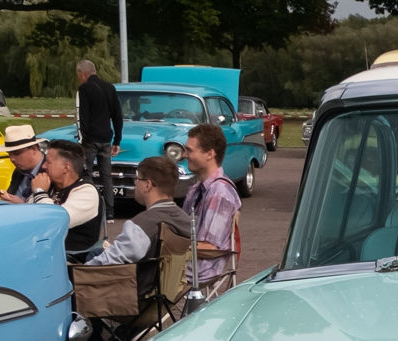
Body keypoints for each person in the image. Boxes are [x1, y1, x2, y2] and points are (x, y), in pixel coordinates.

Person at [85, 156, 192, 297]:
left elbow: (111, 261)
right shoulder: (186, 220)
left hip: (136, 301)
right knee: (97, 252)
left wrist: (77, 272)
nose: (136, 184)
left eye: (137, 179)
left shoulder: (142, 224)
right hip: (170, 297)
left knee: (87, 267)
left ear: (147, 185)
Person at [182, 123, 242, 296]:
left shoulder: (219, 193)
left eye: (190, 150)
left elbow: (211, 247)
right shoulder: (196, 189)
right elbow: (182, 230)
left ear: (210, 153)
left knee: (137, 273)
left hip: (201, 270)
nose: (185, 155)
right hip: (187, 263)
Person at [28, 140, 104, 260]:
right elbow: (29, 218)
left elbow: (57, 219)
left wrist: (39, 192)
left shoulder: (87, 192)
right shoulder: (49, 186)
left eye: (48, 162)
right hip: (44, 254)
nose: (43, 166)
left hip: (72, 262)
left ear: (66, 167)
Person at [75, 59, 123, 222]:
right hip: (106, 138)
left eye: (79, 75)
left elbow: (83, 116)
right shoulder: (110, 88)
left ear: (83, 73)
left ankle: (91, 209)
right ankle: (110, 212)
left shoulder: (84, 89)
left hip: (91, 139)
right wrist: (117, 139)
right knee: (106, 175)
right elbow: (117, 115)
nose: (79, 78)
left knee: (87, 173)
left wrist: (85, 138)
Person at [0, 124, 45, 203]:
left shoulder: (51, 171)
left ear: (34, 149)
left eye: (17, 153)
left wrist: (22, 206)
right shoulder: (18, 172)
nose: (11, 159)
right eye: (9, 154)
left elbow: (51, 210)